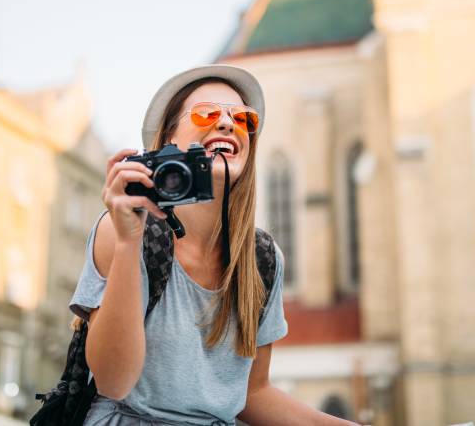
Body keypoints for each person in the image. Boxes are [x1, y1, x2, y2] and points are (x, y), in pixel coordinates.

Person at [70, 65, 363, 425]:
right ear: (169, 139)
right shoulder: (125, 229)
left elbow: (253, 392)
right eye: (206, 113)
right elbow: (113, 382)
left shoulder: (262, 258)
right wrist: (128, 243)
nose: (227, 123)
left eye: (242, 118)